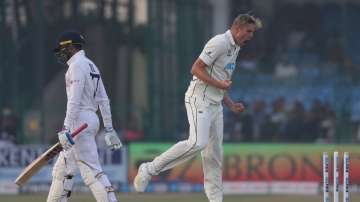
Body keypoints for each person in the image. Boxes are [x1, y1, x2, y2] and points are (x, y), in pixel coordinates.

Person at [133, 14, 262, 202]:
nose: (250, 36)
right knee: (197, 143)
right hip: (198, 99)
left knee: (214, 157)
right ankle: (149, 169)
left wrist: (231, 104)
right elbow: (195, 69)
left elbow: (220, 80)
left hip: (216, 105)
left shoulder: (235, 48)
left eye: (253, 32)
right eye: (248, 31)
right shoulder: (219, 42)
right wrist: (220, 86)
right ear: (237, 28)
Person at [47, 31, 122, 202]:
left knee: (91, 171)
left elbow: (74, 100)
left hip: (79, 122)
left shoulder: (77, 66)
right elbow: (103, 99)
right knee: (62, 171)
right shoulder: (90, 65)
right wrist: (109, 128)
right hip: (89, 120)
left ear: (72, 47)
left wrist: (66, 127)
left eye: (63, 49)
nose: (61, 53)